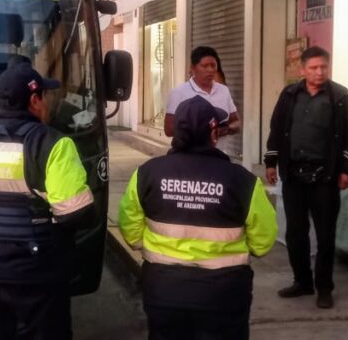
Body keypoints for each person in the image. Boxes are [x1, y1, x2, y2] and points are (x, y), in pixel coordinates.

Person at [0, 62, 95, 339]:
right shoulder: (53, 145)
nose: (48, 103)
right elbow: (76, 214)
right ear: (34, 100)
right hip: (37, 272)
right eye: (46, 96)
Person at [119, 95, 277, 340]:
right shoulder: (243, 181)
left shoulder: (147, 174)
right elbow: (263, 240)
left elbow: (130, 229)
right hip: (223, 295)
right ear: (213, 133)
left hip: (164, 291)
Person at [264, 46, 348, 309]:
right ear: (302, 70)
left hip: (325, 177)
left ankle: (324, 288)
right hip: (294, 175)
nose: (319, 72)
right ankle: (302, 282)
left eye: (323, 67)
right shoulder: (289, 95)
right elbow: (276, 129)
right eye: (314, 68)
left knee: (325, 235)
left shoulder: (340, 97)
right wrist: (271, 162)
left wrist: (347, 171)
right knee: (296, 232)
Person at [165, 46, 240, 153]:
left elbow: (236, 122)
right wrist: (203, 130)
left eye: (213, 65)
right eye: (205, 66)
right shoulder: (179, 93)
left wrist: (226, 130)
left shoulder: (223, 90)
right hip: (189, 157)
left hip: (219, 156)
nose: (210, 70)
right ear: (193, 68)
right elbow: (169, 130)